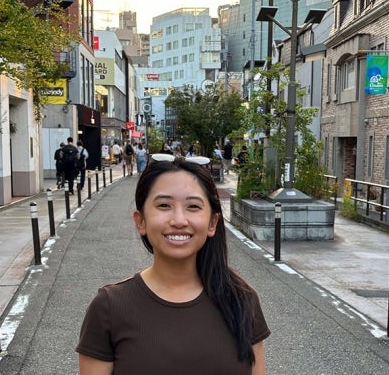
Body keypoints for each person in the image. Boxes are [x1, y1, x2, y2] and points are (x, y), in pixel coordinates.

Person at [76, 155, 270, 373]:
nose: (179, 220)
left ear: (212, 223)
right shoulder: (109, 308)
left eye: (193, 206)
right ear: (141, 221)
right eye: (164, 205)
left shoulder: (241, 299)